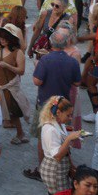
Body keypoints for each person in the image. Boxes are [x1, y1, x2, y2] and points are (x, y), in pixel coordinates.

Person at [27, 29, 81, 181]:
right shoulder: (71, 61)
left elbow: (37, 81)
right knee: (63, 136)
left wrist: (37, 64)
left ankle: (42, 169)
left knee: (42, 137)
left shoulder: (46, 60)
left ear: (51, 43)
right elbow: (77, 82)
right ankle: (64, 167)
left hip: (45, 105)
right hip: (63, 104)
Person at [0, 23, 30, 144]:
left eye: (4, 38)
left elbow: (21, 71)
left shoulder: (18, 53)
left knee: (14, 113)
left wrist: (6, 65)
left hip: (9, 87)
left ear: (11, 39)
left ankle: (20, 134)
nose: (2, 40)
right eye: (0, 38)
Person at [38, 95, 85, 195]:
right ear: (58, 112)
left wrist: (71, 165)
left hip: (59, 169)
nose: (70, 118)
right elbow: (58, 156)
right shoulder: (50, 129)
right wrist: (69, 138)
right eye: (68, 115)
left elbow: (65, 151)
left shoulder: (59, 124)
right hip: (54, 171)